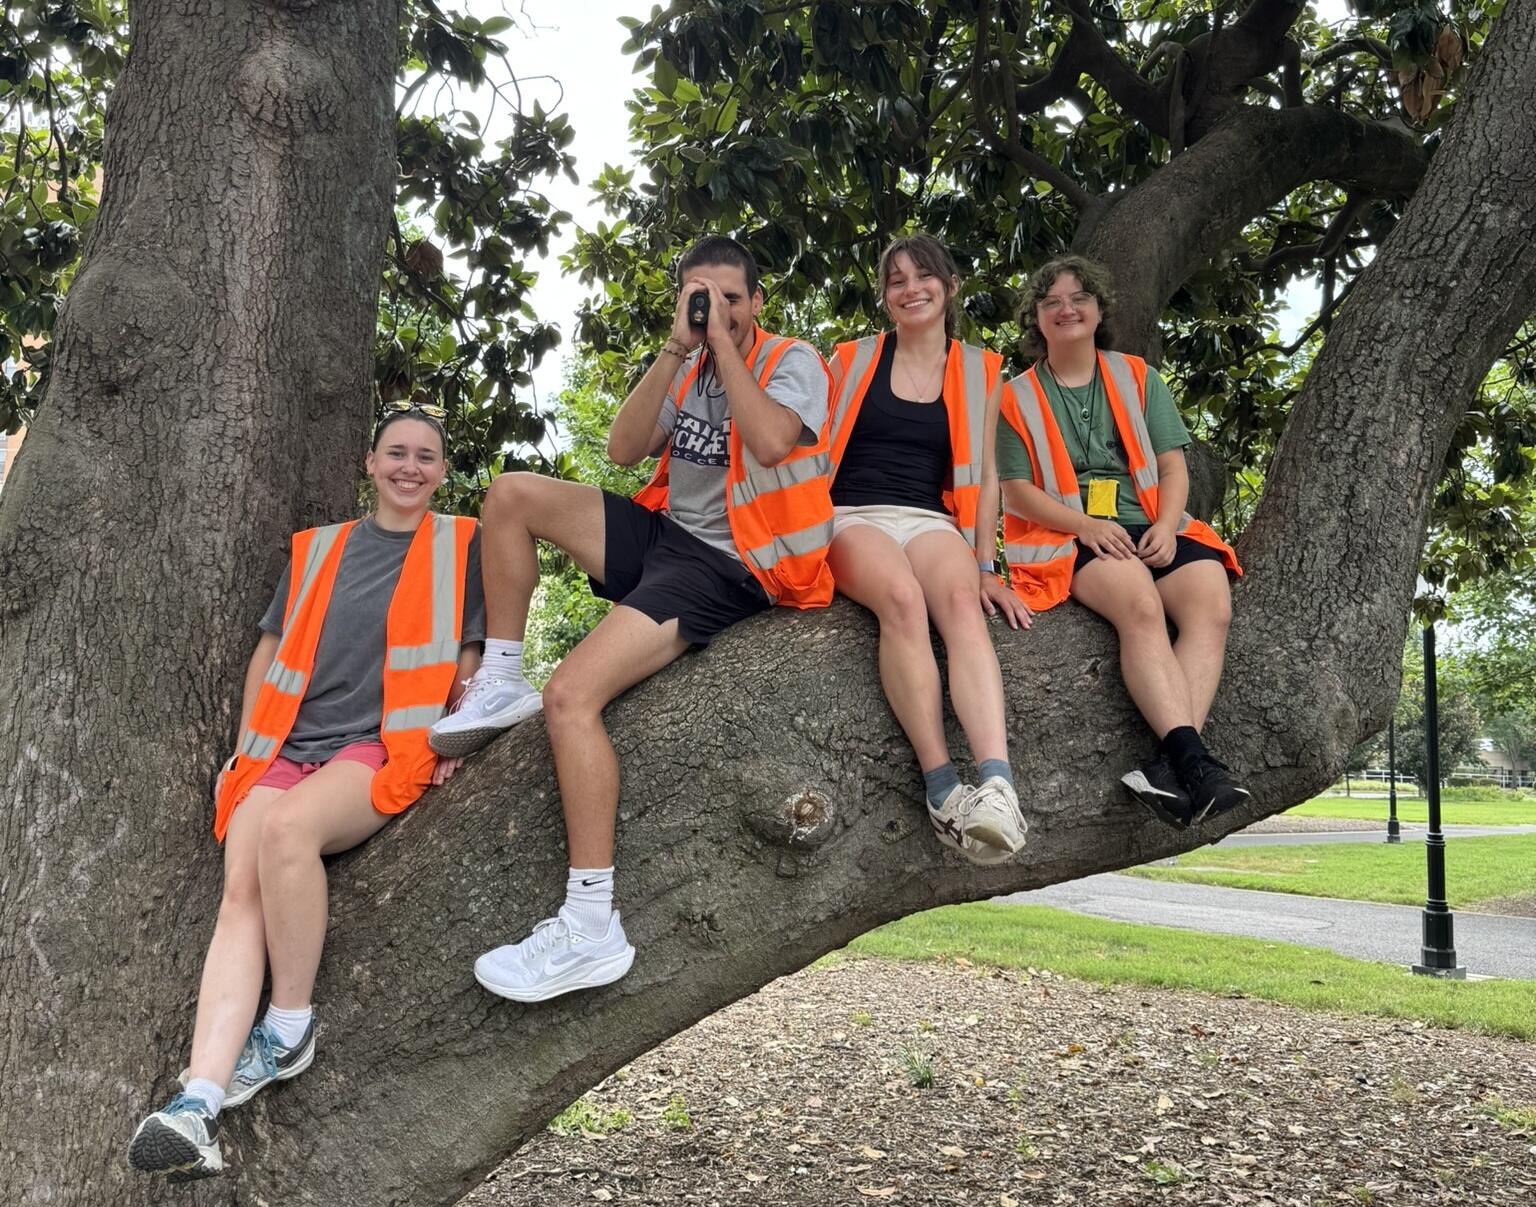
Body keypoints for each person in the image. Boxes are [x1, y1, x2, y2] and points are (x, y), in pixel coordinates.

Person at [427, 235, 833, 1001]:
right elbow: (621, 448)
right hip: (665, 537)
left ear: (757, 302)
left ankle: (590, 924)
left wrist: (726, 348)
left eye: (731, 298)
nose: (717, 312)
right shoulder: (690, 363)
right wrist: (680, 349)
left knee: (572, 697)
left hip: (731, 564)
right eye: (700, 297)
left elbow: (776, 442)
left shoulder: (793, 360)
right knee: (511, 493)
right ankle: (502, 676)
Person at [127, 404, 483, 1181]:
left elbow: (471, 657)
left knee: (287, 833)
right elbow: (269, 651)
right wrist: (250, 745)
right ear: (370, 461)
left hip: (380, 746)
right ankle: (198, 1102)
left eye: (426, 456)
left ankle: (288, 1027)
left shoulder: (463, 545)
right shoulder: (319, 549)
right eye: (397, 452)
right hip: (285, 744)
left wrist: (459, 731)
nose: (410, 467)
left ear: (443, 470)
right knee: (241, 889)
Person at [995, 255, 1247, 827]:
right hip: (1071, 533)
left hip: (1155, 524)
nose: (1067, 308)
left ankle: (1169, 769)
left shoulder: (1137, 376)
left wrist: (1164, 524)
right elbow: (1014, 491)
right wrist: (1084, 524)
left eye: (1079, 297)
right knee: (1140, 603)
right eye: (1052, 301)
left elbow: (1173, 467)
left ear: (1099, 309)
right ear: (1036, 318)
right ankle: (1196, 764)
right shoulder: (1012, 397)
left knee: (1211, 605)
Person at [825, 233, 1032, 866]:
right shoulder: (849, 359)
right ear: (885, 297)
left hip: (928, 517)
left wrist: (986, 564)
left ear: (950, 286)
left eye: (924, 277)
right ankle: (943, 790)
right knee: (902, 599)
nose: (911, 288)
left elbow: (989, 479)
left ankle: (997, 786)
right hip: (848, 514)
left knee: (963, 605)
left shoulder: (982, 370)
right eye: (896, 280)